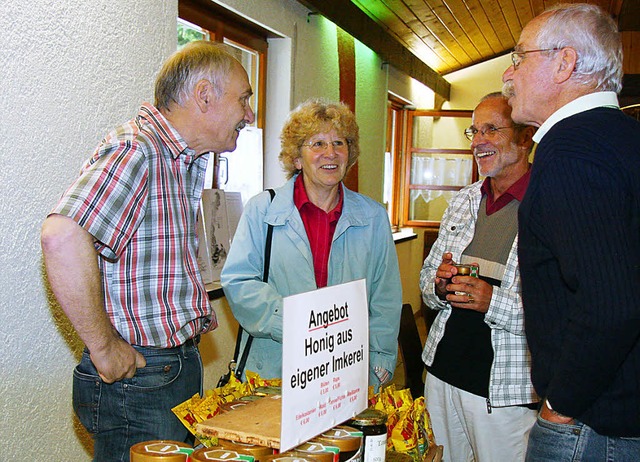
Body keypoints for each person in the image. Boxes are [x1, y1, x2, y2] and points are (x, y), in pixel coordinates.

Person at [40, 41, 255, 461]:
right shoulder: (139, 150)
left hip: (159, 375)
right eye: (244, 98)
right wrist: (103, 348)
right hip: (141, 380)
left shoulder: (179, 160)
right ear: (205, 96)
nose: (249, 114)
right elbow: (60, 236)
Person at [502, 3, 640, 460]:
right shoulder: (623, 138)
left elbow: (611, 305)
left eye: (520, 56)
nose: (509, 72)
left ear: (565, 62)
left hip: (594, 427)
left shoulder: (571, 153)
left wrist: (561, 406)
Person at [221, 99, 402, 391]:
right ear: (296, 157)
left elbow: (385, 296)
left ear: (349, 153)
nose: (330, 153)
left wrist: (380, 359)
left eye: (339, 143)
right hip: (273, 368)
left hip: (346, 369)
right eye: (317, 144)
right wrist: (297, 324)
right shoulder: (261, 210)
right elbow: (239, 281)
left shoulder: (373, 217)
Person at [420, 92, 538, 461]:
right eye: (474, 130)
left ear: (524, 137)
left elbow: (561, 309)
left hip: (504, 392)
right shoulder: (464, 199)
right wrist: (439, 285)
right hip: (442, 373)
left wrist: (490, 300)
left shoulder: (547, 204)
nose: (478, 141)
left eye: (491, 129)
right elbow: (426, 283)